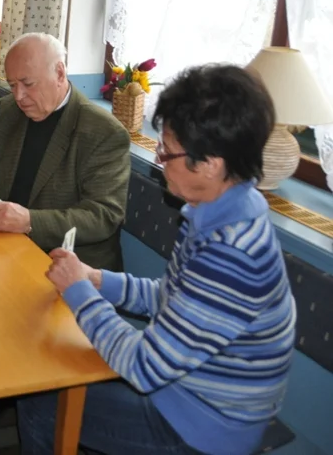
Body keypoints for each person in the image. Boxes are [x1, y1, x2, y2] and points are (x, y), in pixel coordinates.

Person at [18, 65, 297, 455]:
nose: (158, 159)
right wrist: (96, 279)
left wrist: (79, 293)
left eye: (166, 151)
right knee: (58, 372)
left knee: (40, 402)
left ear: (211, 163)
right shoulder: (228, 206)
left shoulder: (230, 253)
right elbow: (174, 297)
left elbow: (144, 368)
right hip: (190, 393)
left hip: (202, 426)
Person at [0, 33, 130, 271]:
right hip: (5, 249)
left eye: (28, 84)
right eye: (12, 85)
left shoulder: (103, 132)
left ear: (60, 73)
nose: (19, 96)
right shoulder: (9, 111)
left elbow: (103, 216)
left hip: (69, 268)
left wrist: (29, 222)